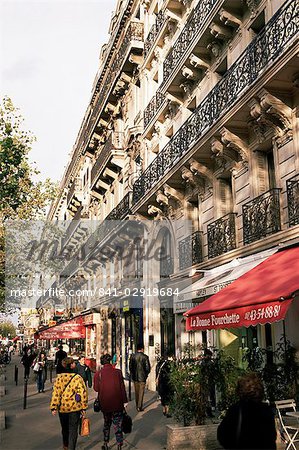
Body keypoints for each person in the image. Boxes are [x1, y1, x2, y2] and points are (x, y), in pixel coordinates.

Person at [217, 372, 277, 450]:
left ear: (240, 391)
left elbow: (223, 435)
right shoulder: (266, 410)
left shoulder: (236, 410)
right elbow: (271, 438)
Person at [50, 357, 88, 450]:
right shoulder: (77, 378)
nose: (75, 364)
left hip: (63, 408)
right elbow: (83, 393)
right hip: (75, 408)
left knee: (64, 429)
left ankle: (65, 446)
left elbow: (56, 393)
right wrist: (84, 407)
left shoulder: (59, 378)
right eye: (74, 363)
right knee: (73, 430)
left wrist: (54, 407)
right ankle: (71, 448)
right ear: (71, 365)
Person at [94, 353, 128, 450]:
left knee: (107, 423)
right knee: (117, 425)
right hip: (117, 403)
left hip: (105, 403)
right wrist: (125, 401)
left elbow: (96, 388)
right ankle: (119, 444)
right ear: (110, 361)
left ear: (101, 362)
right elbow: (122, 388)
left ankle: (105, 442)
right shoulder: (118, 372)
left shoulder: (98, 374)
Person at [129, 344, 151, 412]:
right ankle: (139, 406)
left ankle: (137, 405)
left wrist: (133, 374)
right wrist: (146, 375)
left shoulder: (133, 356)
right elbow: (148, 368)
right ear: (142, 349)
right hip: (142, 377)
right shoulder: (145, 357)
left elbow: (130, 367)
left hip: (135, 377)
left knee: (136, 392)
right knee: (141, 392)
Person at [156, 351, 174, 417]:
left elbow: (157, 373)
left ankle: (164, 409)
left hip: (161, 382)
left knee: (163, 396)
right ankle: (168, 411)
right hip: (168, 382)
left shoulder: (159, 364)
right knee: (168, 396)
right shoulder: (170, 363)